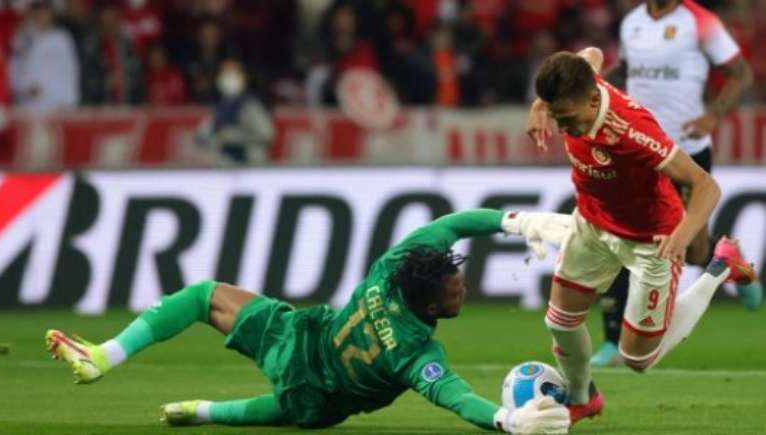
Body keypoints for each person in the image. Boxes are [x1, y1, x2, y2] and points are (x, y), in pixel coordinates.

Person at [46, 209, 572, 434]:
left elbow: (452, 224)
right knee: (291, 410)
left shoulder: (394, 268)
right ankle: (201, 411)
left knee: (206, 296)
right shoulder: (415, 353)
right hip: (318, 402)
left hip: (300, 341)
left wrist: (515, 221)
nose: (465, 289)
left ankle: (106, 357)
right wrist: (506, 421)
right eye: (457, 290)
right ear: (431, 309)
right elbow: (456, 398)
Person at [525, 47, 757, 425]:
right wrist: (539, 106)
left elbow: (706, 186)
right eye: (557, 118)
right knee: (560, 321)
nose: (564, 130)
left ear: (591, 99)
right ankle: (584, 399)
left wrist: (683, 236)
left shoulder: (631, 130)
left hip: (650, 237)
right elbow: (593, 54)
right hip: (593, 222)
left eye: (568, 119)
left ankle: (720, 265)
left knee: (637, 360)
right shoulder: (581, 83)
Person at [590, 0, 760, 368]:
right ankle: (611, 338)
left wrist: (712, 116)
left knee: (692, 251)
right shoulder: (633, 22)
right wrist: (592, 85)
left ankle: (726, 260)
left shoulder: (700, 21)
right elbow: (629, 72)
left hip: (686, 150)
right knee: (619, 234)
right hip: (635, 147)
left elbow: (741, 73)